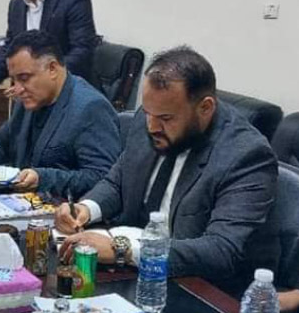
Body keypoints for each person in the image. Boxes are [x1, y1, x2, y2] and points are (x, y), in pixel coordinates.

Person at [56, 46, 278, 296]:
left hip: (198, 290)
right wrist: (85, 209)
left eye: (166, 119)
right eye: (148, 113)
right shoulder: (151, 117)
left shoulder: (246, 155)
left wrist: (123, 250)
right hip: (132, 274)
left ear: (205, 108)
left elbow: (221, 250)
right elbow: (118, 181)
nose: (152, 126)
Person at [0, 30, 119, 198]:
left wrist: (44, 178)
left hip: (63, 207)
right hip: (21, 201)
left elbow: (102, 179)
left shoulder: (90, 108)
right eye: (14, 80)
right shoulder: (29, 98)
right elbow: (4, 140)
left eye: (24, 78)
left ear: (52, 68)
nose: (18, 89)